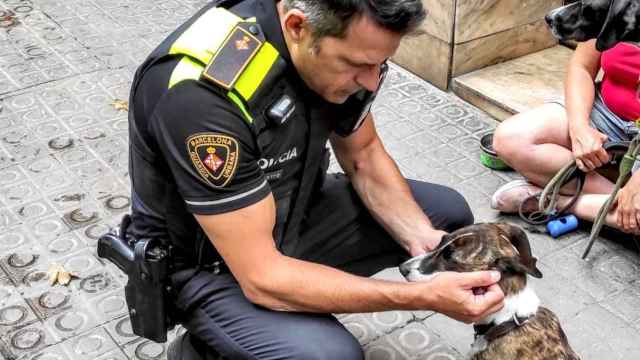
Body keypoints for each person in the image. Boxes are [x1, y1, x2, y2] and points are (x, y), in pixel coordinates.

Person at [127, 0, 505, 358]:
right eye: (358, 65)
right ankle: (205, 350)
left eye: (381, 63)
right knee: (329, 355)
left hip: (291, 210)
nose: (372, 81)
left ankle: (286, 309)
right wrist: (420, 297)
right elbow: (263, 275)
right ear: (297, 27)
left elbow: (363, 155)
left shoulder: (344, 51)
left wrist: (424, 242)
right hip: (209, 262)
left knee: (446, 216)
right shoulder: (204, 97)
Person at [492, 39, 640, 235]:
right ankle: (622, 207)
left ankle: (555, 202)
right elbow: (582, 66)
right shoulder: (616, 9)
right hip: (606, 112)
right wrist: (580, 127)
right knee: (511, 139)